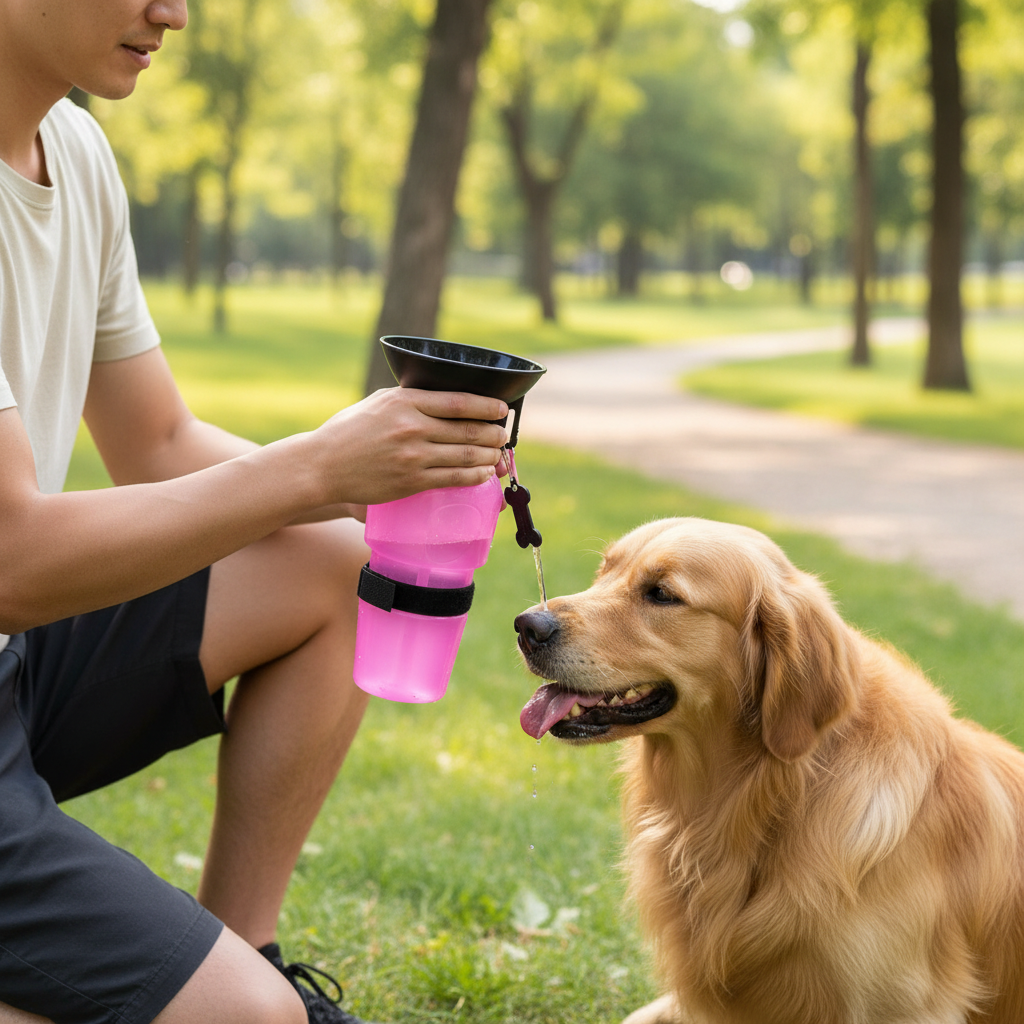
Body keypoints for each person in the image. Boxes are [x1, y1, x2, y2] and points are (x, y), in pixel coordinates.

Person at [0, 1, 510, 1022]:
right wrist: (317, 465)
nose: (173, 13)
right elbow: (10, 558)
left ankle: (250, 948)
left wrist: (380, 490)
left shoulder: (77, 154)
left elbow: (157, 443)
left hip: (14, 674)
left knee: (329, 561)